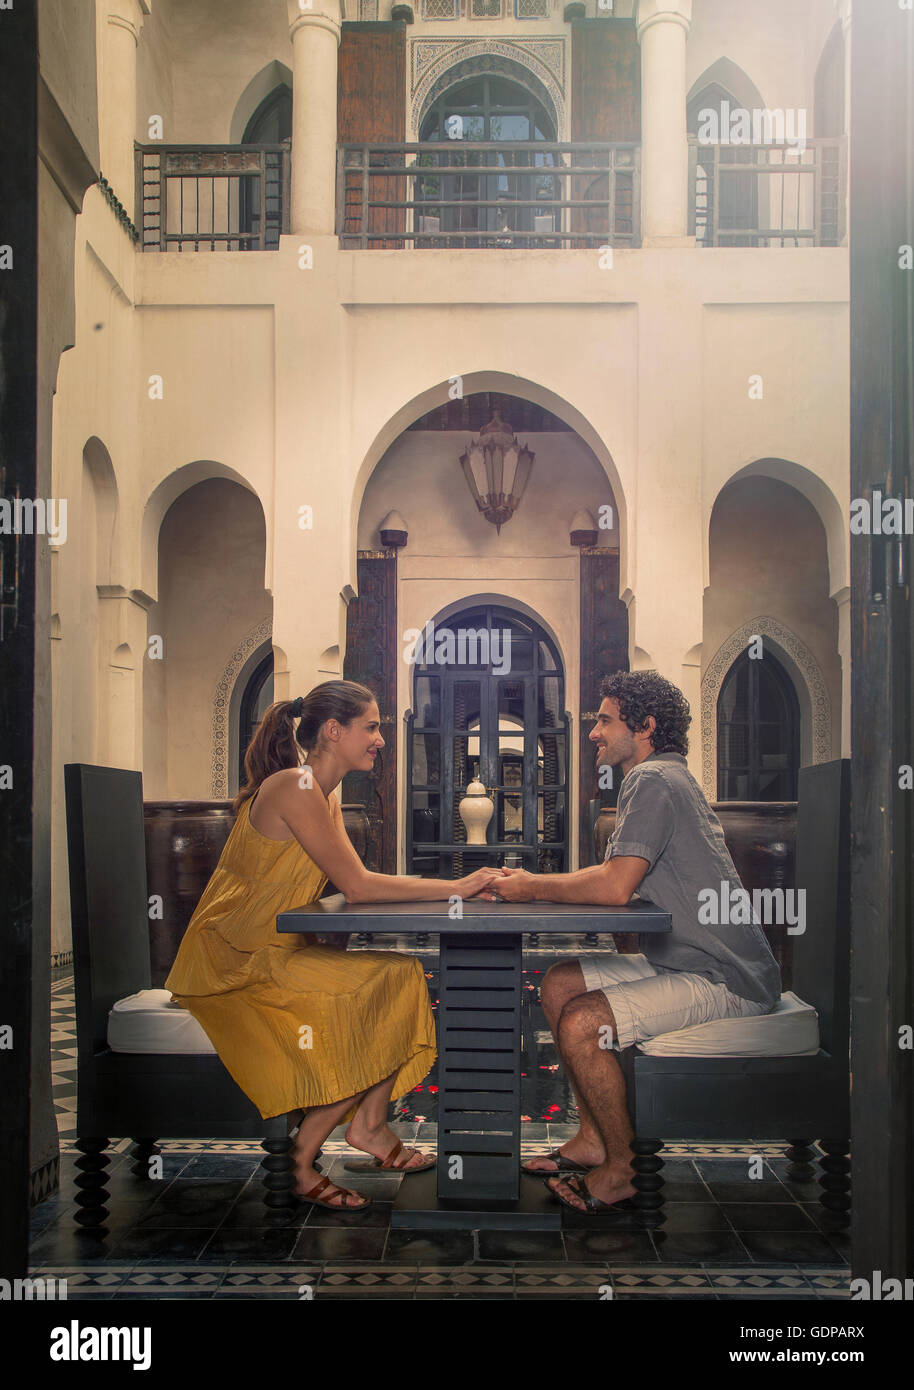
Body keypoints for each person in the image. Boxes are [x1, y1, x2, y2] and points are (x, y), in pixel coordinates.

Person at [165, 680, 500, 1211]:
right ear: (333, 730)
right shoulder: (294, 787)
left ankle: (369, 1125)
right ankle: (302, 1158)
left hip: (275, 952)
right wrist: (457, 888)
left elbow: (358, 881)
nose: (380, 740)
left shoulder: (319, 792)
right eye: (371, 727)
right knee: (383, 987)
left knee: (398, 976)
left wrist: (454, 890)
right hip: (235, 961)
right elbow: (361, 888)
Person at [484, 670, 782, 1218]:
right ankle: (593, 1138)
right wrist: (539, 888)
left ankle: (621, 1168)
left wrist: (527, 885)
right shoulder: (660, 778)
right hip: (687, 960)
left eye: (605, 720)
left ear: (644, 727)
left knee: (580, 1022)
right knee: (560, 982)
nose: (594, 731)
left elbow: (615, 885)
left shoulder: (653, 780)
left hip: (726, 976)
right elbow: (615, 875)